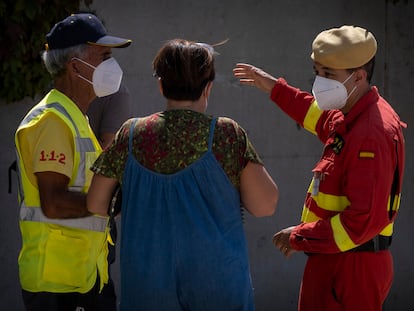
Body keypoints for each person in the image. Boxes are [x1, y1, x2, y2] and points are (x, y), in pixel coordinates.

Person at [87, 38, 279, 310]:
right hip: (218, 291)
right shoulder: (226, 135)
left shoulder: (130, 135)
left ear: (162, 85)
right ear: (208, 87)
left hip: (146, 291)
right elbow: (265, 204)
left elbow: (96, 203)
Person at [233, 25, 406, 311]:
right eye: (317, 72)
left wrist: (300, 235)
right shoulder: (350, 113)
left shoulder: (370, 134)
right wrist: (273, 87)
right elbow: (315, 114)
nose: (319, 82)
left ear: (359, 76)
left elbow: (360, 222)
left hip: (351, 268)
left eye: (328, 75)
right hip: (335, 258)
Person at [14, 13, 131, 311]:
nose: (111, 65)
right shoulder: (52, 121)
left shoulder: (75, 117)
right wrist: (112, 202)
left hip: (84, 279)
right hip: (58, 286)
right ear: (76, 66)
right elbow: (53, 201)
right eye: (104, 56)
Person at [87, 83, 133, 309]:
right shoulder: (114, 92)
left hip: (90, 228)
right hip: (92, 220)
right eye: (104, 54)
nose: (110, 63)